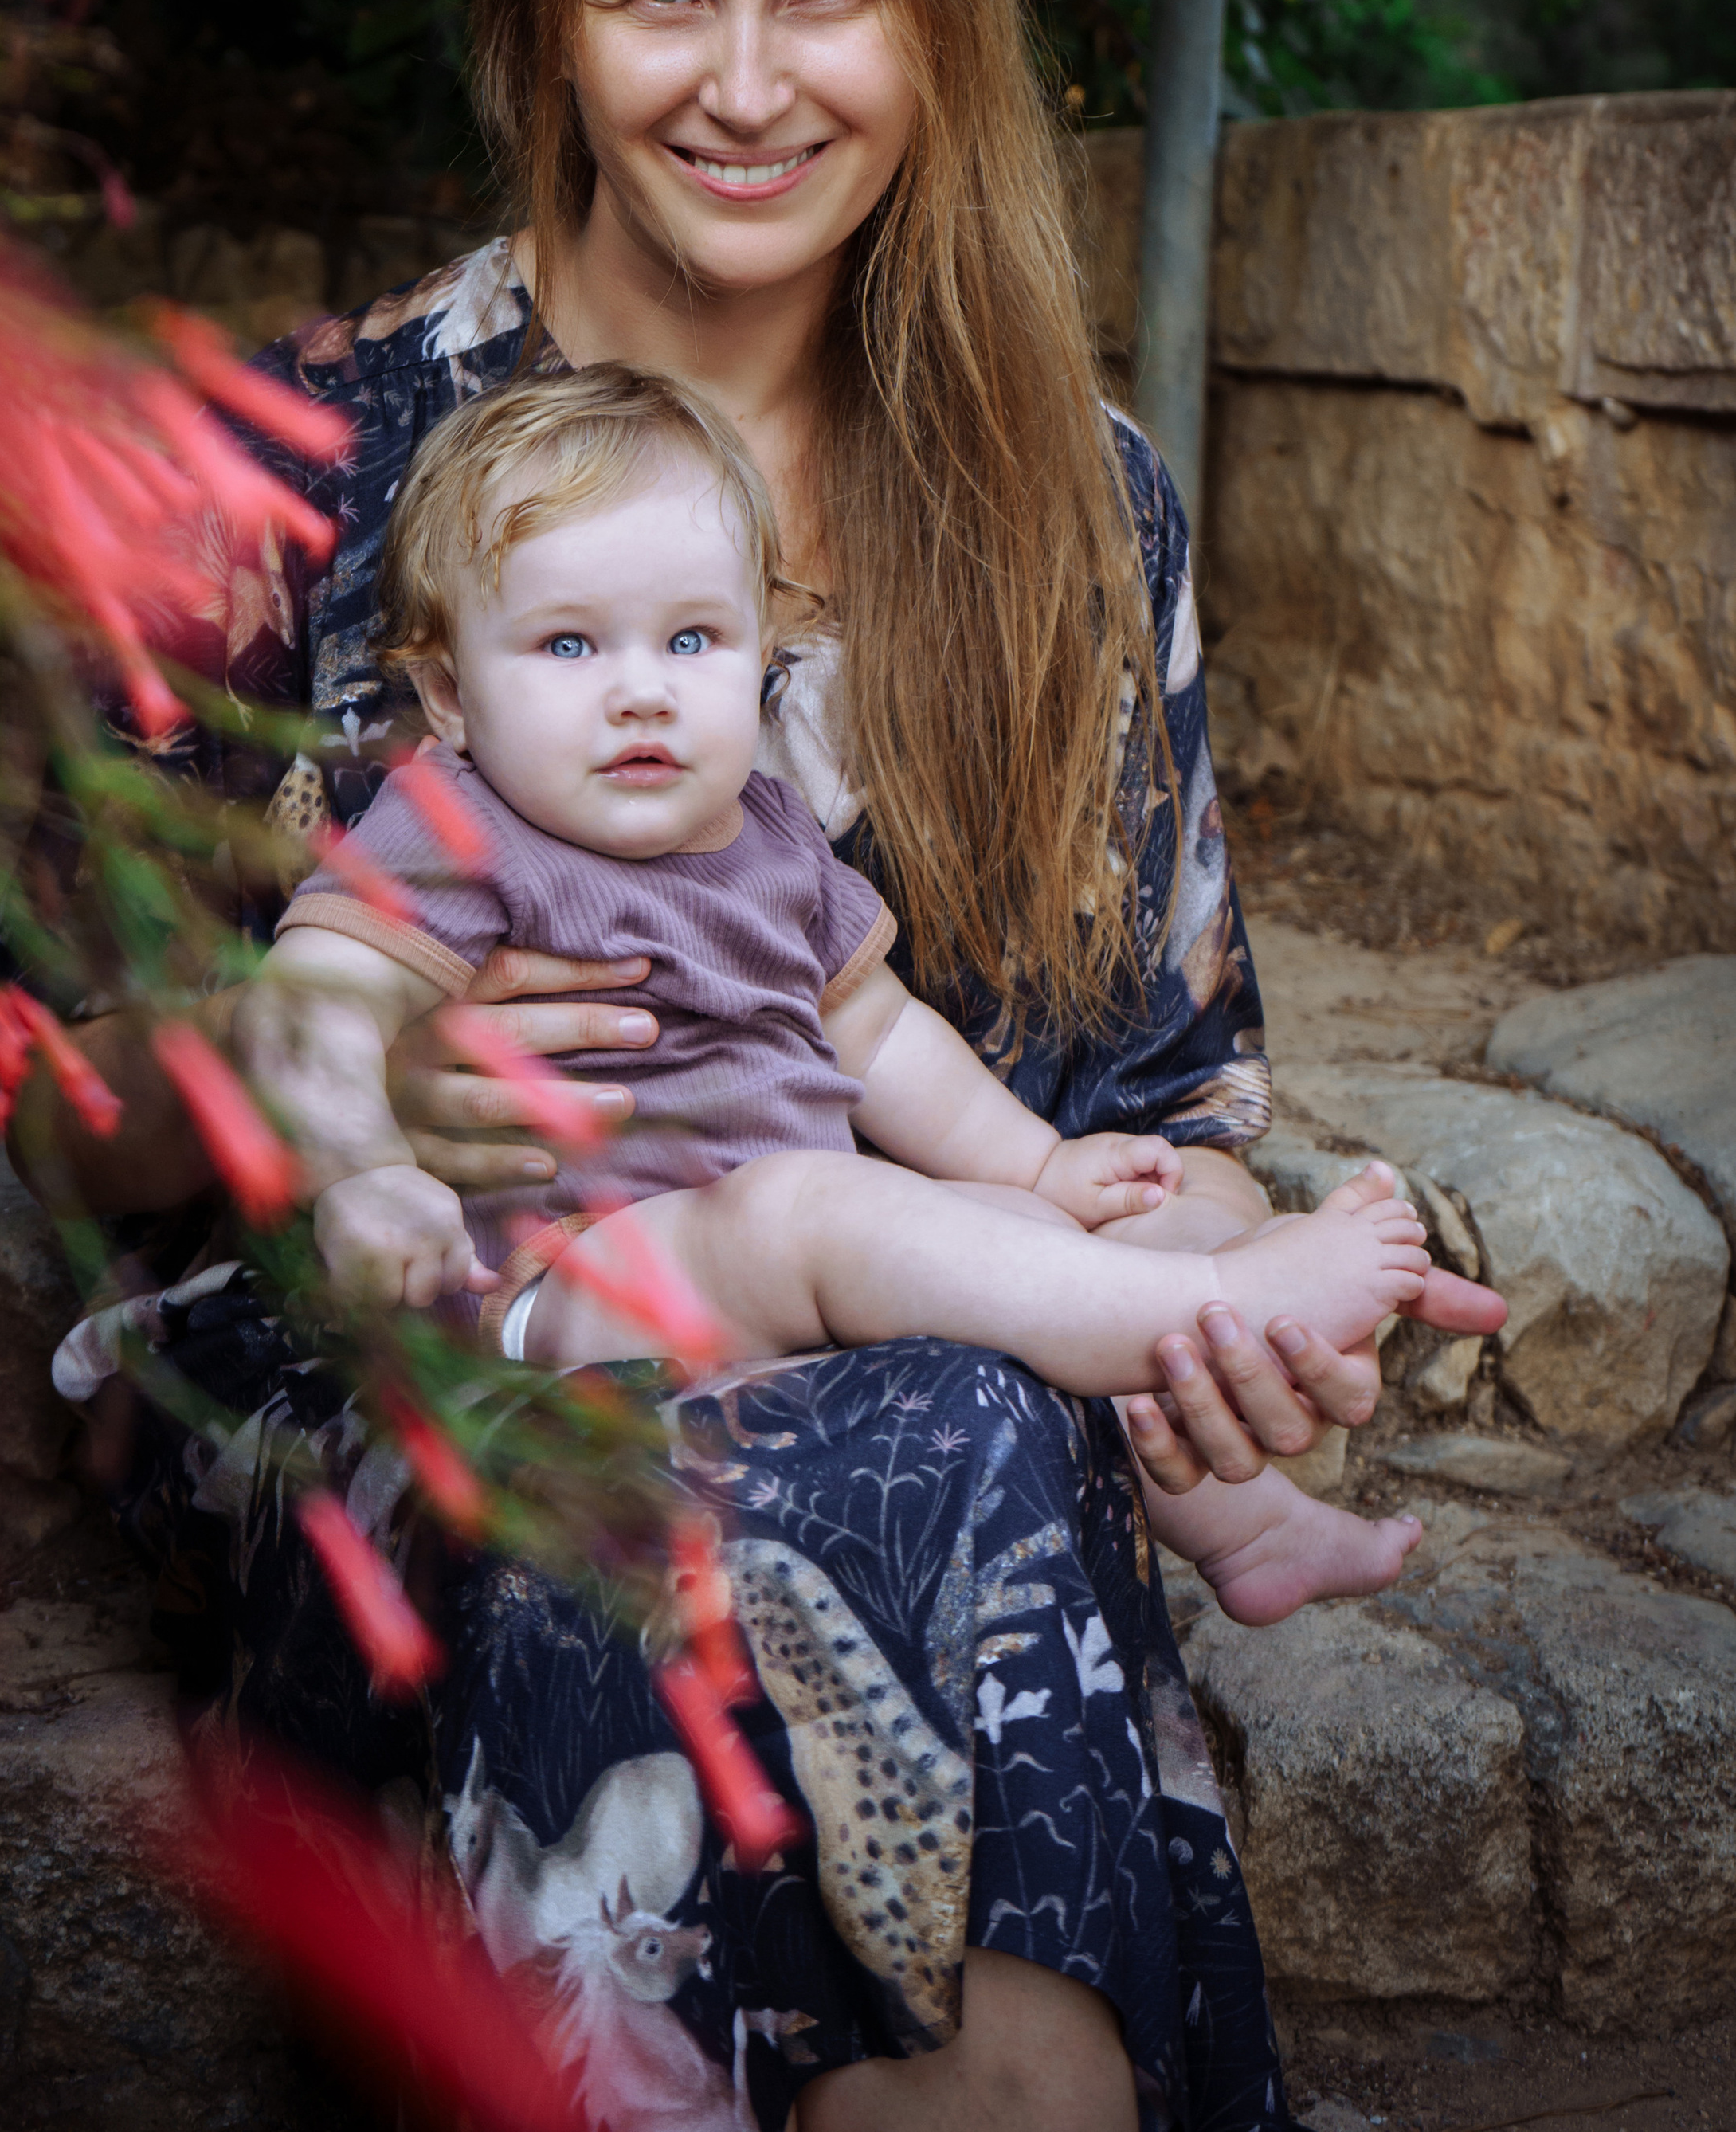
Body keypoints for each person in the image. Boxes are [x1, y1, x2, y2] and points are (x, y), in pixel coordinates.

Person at [24, 0, 1427, 2132]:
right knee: (610, 1490)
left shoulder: (1075, 510)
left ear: (938, 33)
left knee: (963, 1420)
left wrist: (1211, 1301)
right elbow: (58, 1115)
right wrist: (319, 1071)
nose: (751, 83)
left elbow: (1168, 1103)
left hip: (919, 1323)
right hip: (421, 1336)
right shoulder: (295, 470)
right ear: (551, 22)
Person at [248, 359, 1498, 1631]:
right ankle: (1214, 1303)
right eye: (568, 643)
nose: (642, 687)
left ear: (763, 654)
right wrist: (359, 1168)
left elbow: (882, 1033)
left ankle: (1250, 1527)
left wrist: (1033, 1173)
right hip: (564, 1282)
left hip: (769, 1258)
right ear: (451, 694)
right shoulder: (455, 827)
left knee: (979, 1245)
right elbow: (311, 1004)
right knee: (823, 1211)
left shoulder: (770, 836)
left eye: (692, 638)